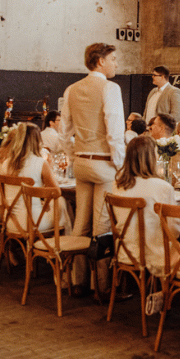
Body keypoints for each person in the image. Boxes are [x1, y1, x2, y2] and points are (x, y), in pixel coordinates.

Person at [60, 42, 126, 294]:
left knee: (81, 223)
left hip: (81, 162)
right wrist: (120, 165)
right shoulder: (110, 88)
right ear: (100, 61)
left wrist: (72, 155)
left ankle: (78, 281)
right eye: (113, 59)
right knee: (102, 226)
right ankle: (103, 286)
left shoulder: (72, 89)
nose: (116, 63)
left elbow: (64, 130)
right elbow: (114, 132)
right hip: (103, 164)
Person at [0, 122, 69, 235]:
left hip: (10, 222)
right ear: (37, 141)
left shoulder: (6, 163)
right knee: (61, 202)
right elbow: (56, 192)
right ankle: (60, 245)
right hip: (34, 223)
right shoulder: (41, 163)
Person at [108, 136, 178, 278]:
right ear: (152, 157)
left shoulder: (116, 186)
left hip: (124, 251)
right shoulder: (163, 187)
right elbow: (174, 230)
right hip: (156, 255)